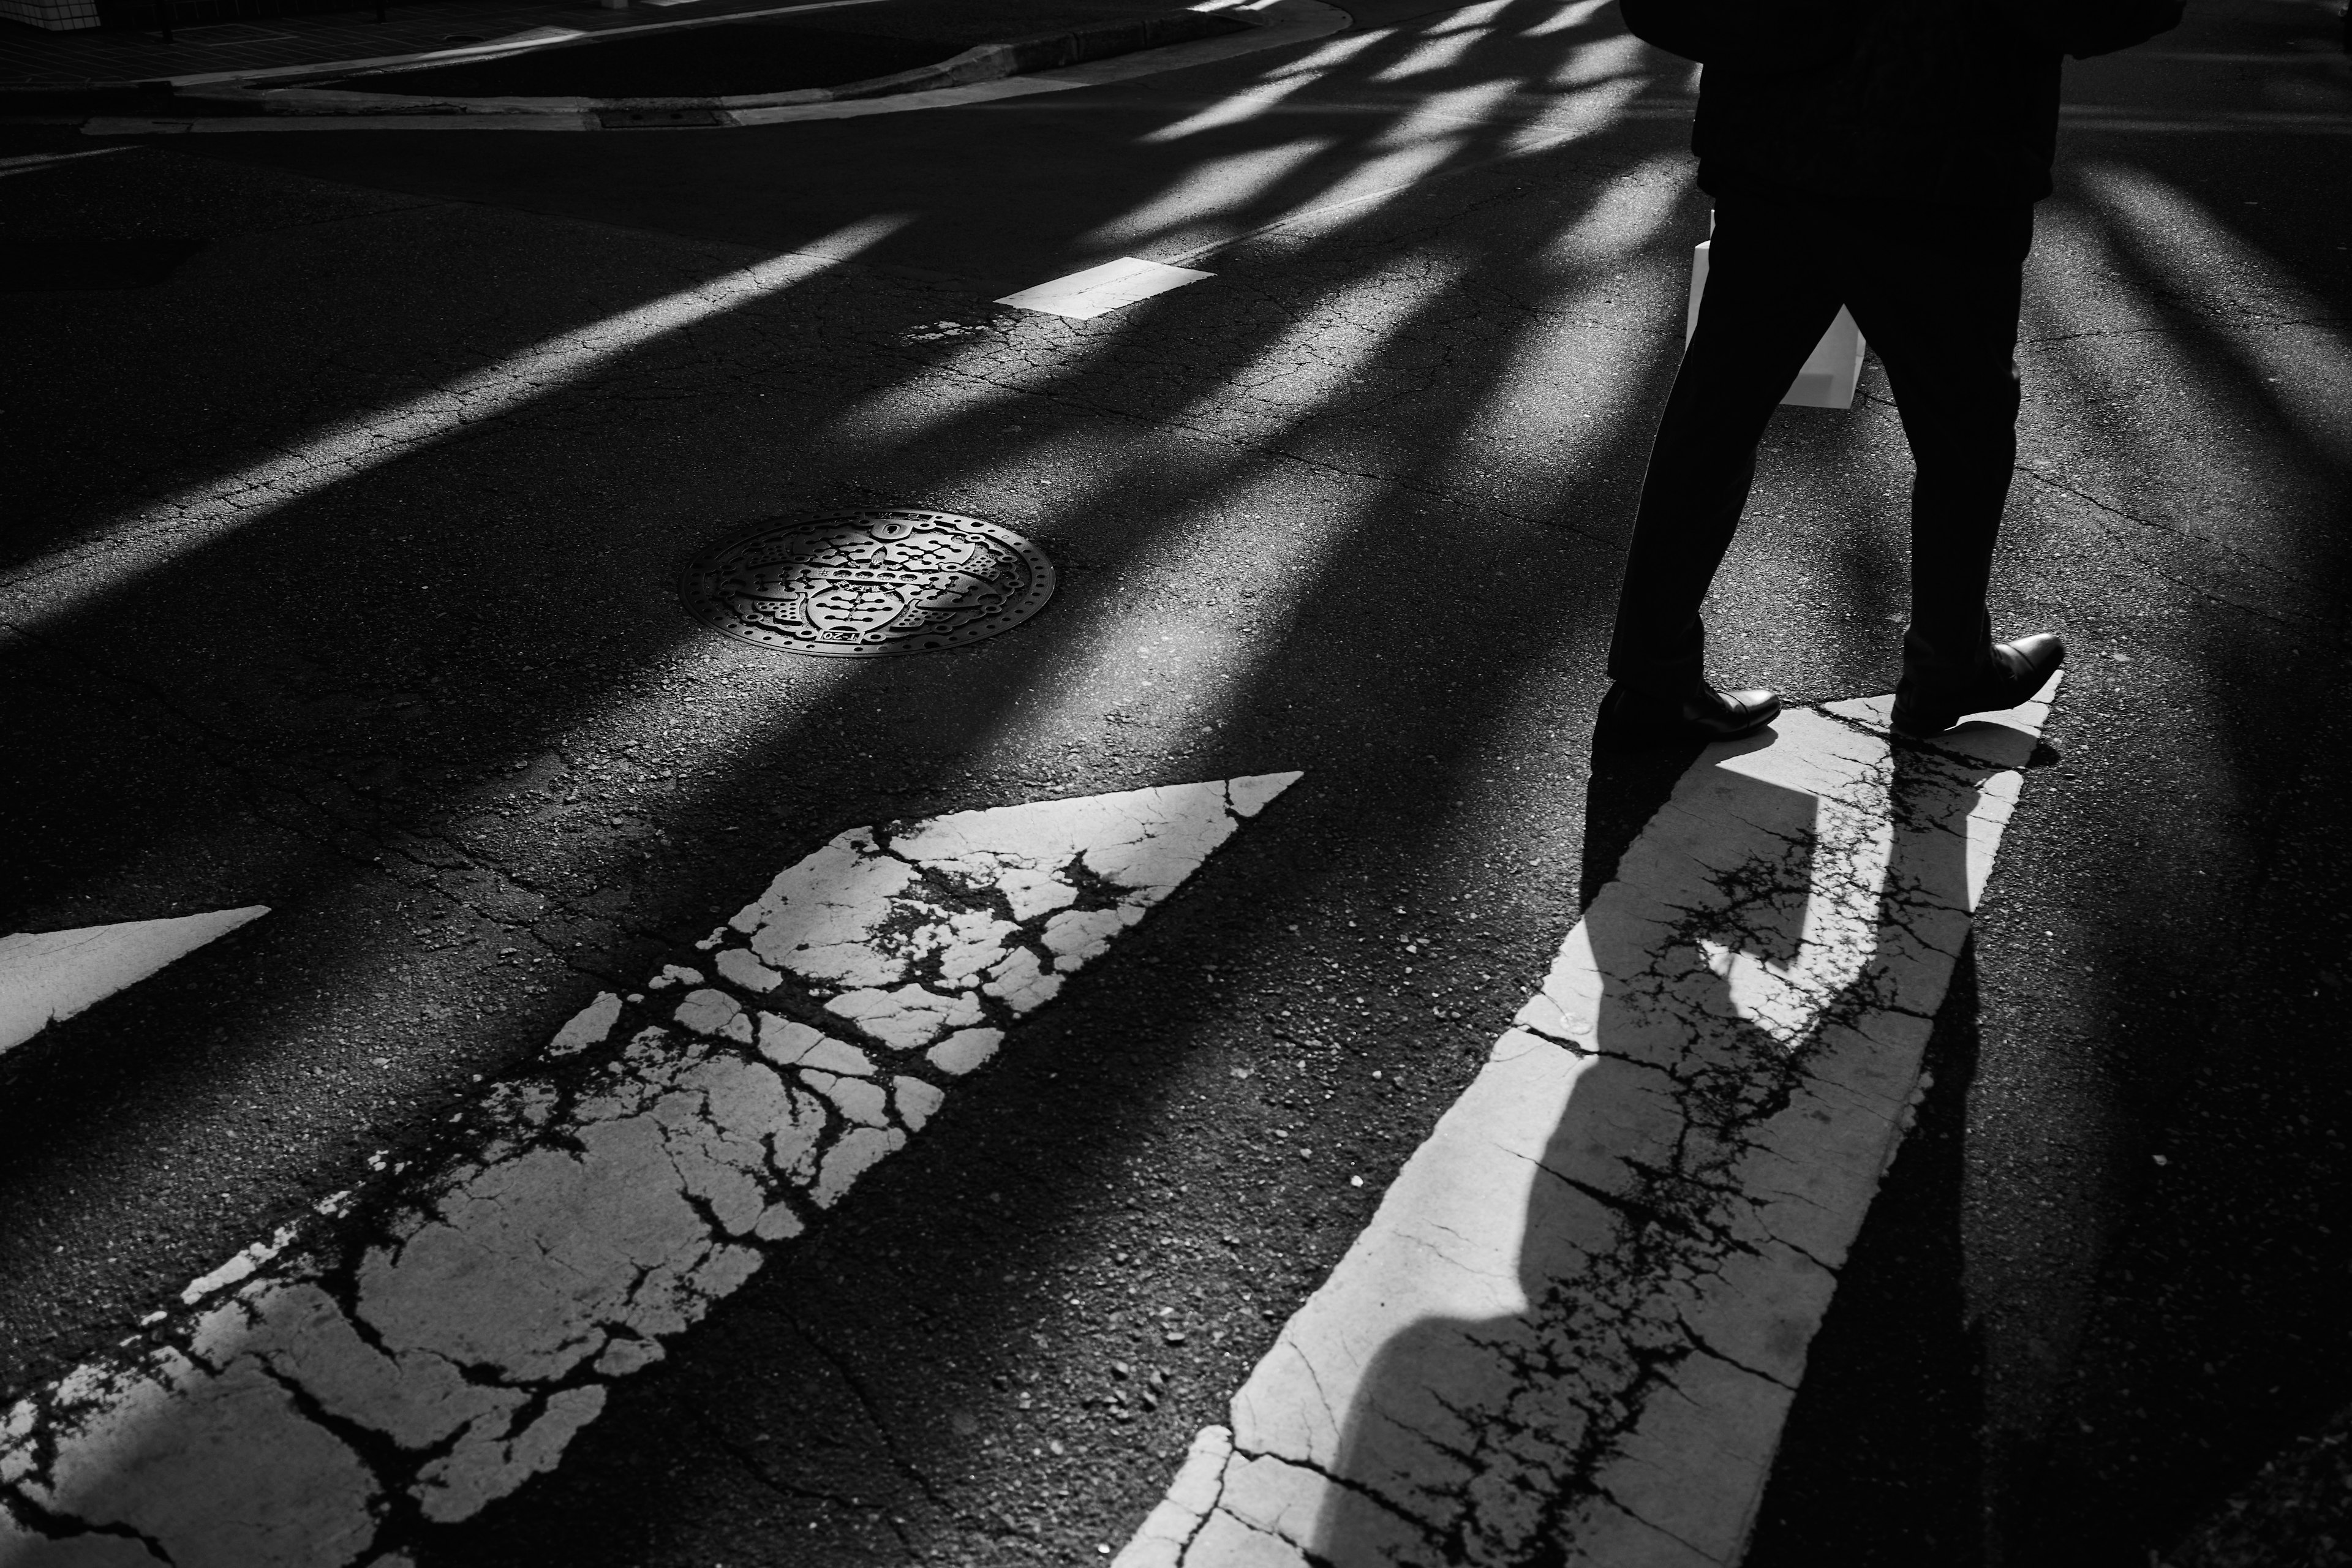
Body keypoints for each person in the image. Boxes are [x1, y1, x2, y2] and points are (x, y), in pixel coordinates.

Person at [1597, 0, 2185, 742]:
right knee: (1961, 429)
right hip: (1949, 145)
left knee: (1717, 412)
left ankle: (1653, 678)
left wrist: (1787, 36)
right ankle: (1948, 664)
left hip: (1779, 143)